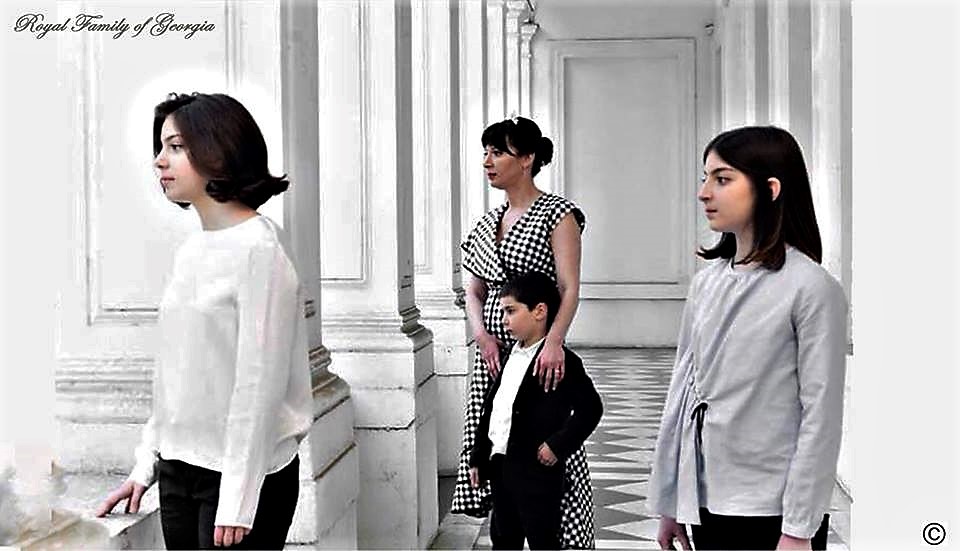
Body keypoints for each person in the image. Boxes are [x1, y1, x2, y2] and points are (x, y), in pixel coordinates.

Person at [95, 92, 313, 550]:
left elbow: (260, 384)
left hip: (242, 478)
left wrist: (237, 499)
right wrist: (145, 465)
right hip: (178, 471)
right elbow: (174, 375)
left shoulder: (261, 250)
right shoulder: (191, 250)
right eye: (161, 147)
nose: (159, 161)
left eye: (175, 147)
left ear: (218, 150)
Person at [647, 126, 848, 551]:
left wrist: (798, 529)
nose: (704, 192)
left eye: (722, 179)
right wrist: (673, 501)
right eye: (705, 177)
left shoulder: (811, 288)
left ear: (770, 189)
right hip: (708, 500)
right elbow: (683, 393)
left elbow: (821, 417)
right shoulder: (707, 283)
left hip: (772, 510)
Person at [451, 116, 595, 548]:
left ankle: (556, 532)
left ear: (528, 159)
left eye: (498, 152)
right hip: (494, 353)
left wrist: (554, 342)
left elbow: (569, 287)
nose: (487, 161)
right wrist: (481, 334)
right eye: (486, 152)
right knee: (495, 437)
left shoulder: (558, 215)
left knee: (541, 437)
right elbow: (473, 291)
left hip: (538, 347)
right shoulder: (486, 222)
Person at [469, 271, 603, 550]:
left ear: (539, 311)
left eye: (510, 311)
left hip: (537, 475)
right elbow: (493, 410)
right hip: (501, 468)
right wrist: (478, 456)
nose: (503, 320)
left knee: (543, 541)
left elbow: (591, 409)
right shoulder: (509, 355)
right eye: (502, 312)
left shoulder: (563, 362)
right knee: (503, 540)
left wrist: (557, 445)